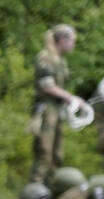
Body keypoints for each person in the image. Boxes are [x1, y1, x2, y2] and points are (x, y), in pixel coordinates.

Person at [29, 24, 82, 184]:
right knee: (44, 153)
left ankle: (50, 190)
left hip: (58, 112)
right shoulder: (46, 58)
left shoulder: (61, 61)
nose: (73, 44)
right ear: (62, 40)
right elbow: (47, 86)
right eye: (72, 40)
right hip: (46, 112)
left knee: (57, 156)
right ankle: (36, 192)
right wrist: (71, 98)